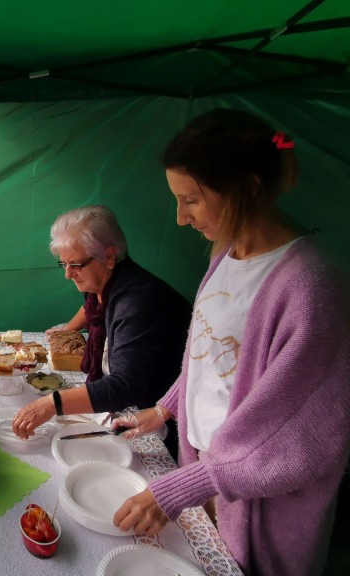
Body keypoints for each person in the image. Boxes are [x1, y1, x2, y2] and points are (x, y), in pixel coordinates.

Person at [110, 109, 350, 576]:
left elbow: (305, 436)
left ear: (249, 186)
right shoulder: (225, 255)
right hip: (206, 477)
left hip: (265, 508)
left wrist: (192, 484)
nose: (180, 219)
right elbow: (211, 355)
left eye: (192, 200)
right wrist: (167, 408)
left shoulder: (312, 285)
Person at [12, 206, 191, 455]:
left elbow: (126, 385)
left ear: (109, 256)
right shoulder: (104, 279)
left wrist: (52, 404)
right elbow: (92, 305)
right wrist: (66, 330)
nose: (67, 274)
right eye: (63, 263)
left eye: (75, 265)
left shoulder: (137, 301)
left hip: (158, 418)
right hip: (131, 400)